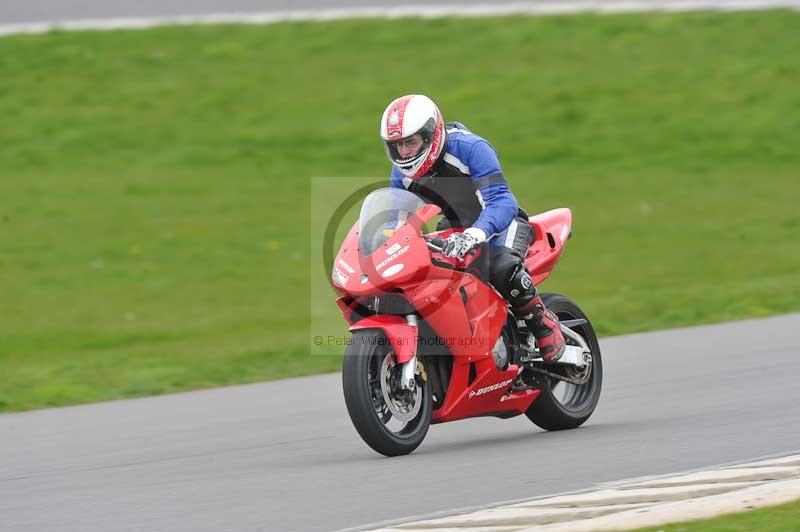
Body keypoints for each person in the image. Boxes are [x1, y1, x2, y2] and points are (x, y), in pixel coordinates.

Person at [380, 94, 566, 361]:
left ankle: (543, 324)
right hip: (453, 229)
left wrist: (476, 234)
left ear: (431, 134)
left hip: (501, 223)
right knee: (425, 279)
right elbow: (395, 219)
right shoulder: (401, 174)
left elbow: (502, 200)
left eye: (411, 142)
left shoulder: (470, 148)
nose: (405, 152)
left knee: (500, 266)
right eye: (397, 145)